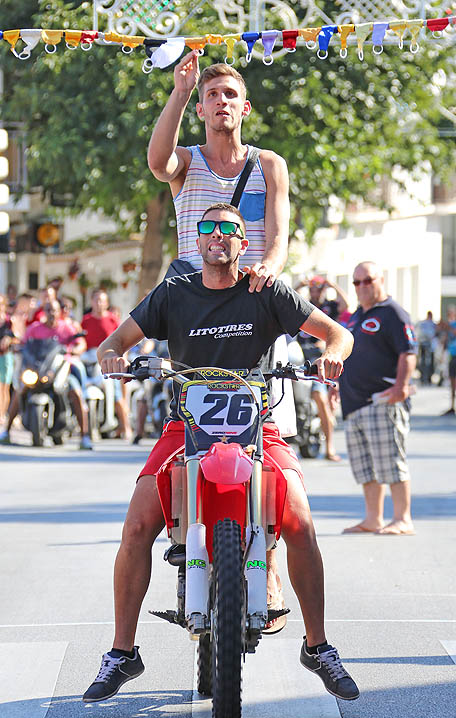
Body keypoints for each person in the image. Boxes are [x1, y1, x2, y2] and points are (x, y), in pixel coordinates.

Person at [82, 203, 359, 704]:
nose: (216, 236)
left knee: (300, 521)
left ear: (242, 241)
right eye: (207, 227)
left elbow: (338, 333)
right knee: (139, 524)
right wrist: (113, 358)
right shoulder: (173, 293)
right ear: (197, 240)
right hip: (183, 426)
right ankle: (122, 652)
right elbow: (115, 340)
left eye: (228, 229)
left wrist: (332, 356)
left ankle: (317, 646)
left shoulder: (266, 291)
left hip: (258, 427)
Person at [148, 54, 292, 628]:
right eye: (213, 96)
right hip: (193, 305)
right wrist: (179, 89)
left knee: (271, 426)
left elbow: (279, 236)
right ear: (203, 108)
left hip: (254, 302)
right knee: (187, 423)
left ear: (245, 106)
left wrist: (269, 274)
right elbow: (158, 160)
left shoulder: (269, 164)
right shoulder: (188, 163)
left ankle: (271, 561)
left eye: (231, 94)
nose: (222, 102)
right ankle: (185, 534)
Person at [332, 261, 417, 535]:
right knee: (365, 466)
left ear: (381, 280)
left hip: (381, 400)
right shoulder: (357, 315)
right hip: (354, 403)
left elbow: (408, 352)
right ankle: (373, 518)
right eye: (357, 282)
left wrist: (401, 386)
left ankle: (403, 518)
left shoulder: (392, 313)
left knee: (391, 461)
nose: (362, 287)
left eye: (368, 280)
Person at [0, 300, 92, 449]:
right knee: (20, 389)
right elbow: (23, 343)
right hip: (38, 369)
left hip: (61, 370)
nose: (51, 313)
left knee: (75, 392)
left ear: (59, 312)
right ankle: (6, 432)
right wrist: (16, 346)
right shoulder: (35, 328)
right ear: (44, 312)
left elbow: (81, 343)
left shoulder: (66, 328)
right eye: (48, 310)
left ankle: (84, 436)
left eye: (54, 310)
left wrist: (76, 349)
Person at [296, 276, 349, 462]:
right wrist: (299, 285)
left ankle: (329, 447)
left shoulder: (330, 307)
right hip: (299, 357)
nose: (315, 292)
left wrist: (333, 285)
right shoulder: (304, 304)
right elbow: (284, 300)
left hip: (318, 360)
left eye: (318, 289)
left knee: (319, 397)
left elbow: (346, 305)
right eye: (312, 289)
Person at [82, 290, 131, 439]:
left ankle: (125, 427)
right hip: (90, 361)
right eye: (96, 300)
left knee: (116, 393)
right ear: (91, 302)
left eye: (102, 300)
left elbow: (123, 341)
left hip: (109, 362)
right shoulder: (86, 320)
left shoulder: (112, 320)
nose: (99, 303)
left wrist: (123, 360)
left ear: (107, 303)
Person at [0, 294, 15, 425]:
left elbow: (16, 337)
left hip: (5, 356)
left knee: (4, 387)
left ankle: (2, 413)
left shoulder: (9, 321)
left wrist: (9, 339)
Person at [442, 305, 456, 414]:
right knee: (452, 382)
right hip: (452, 356)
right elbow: (445, 340)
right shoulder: (449, 326)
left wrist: (449, 328)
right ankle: (452, 406)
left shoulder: (451, 326)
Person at [416, 310, 437, 385]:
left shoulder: (433, 324)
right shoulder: (423, 324)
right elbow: (421, 333)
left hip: (431, 347)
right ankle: (423, 377)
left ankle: (429, 377)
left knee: (430, 362)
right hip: (424, 345)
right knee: (423, 361)